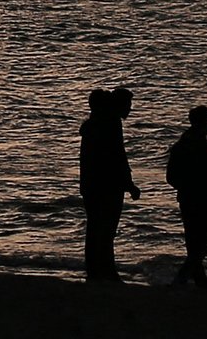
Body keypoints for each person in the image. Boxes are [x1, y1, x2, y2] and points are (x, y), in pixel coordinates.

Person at [79, 88, 140, 282]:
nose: (130, 109)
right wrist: (129, 184)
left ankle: (95, 271)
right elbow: (117, 157)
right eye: (128, 105)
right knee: (106, 230)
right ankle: (106, 272)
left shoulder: (93, 126)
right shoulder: (110, 124)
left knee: (96, 229)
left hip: (92, 185)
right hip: (107, 186)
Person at [166, 106, 207, 286]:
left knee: (194, 241)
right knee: (202, 242)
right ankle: (184, 276)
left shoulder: (181, 145)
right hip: (202, 198)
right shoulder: (205, 147)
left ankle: (199, 279)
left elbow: (171, 176)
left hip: (190, 197)